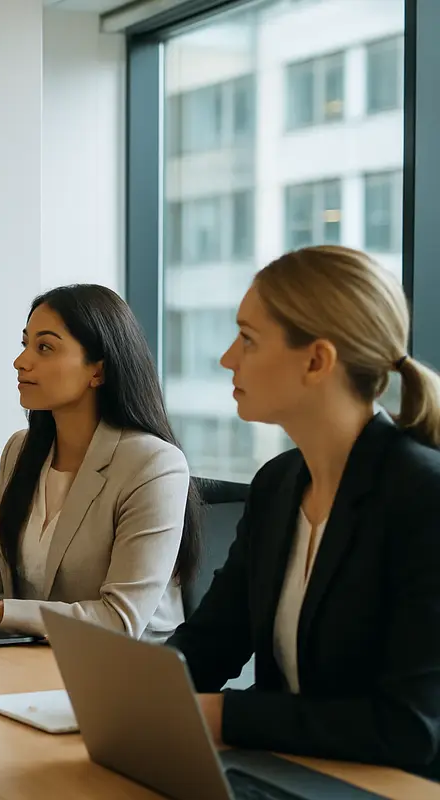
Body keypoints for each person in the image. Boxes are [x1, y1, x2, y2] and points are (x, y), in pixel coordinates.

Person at [167, 245, 440, 779]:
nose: (228, 358)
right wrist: (127, 692)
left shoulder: (422, 496)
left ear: (316, 361)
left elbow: (408, 727)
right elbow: (209, 644)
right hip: (288, 775)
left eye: (248, 339)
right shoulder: (277, 485)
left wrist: (223, 717)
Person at [0, 284, 200, 641]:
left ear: (98, 371)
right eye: (25, 344)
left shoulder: (153, 465)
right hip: (29, 655)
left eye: (45, 347)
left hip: (121, 664)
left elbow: (119, 619)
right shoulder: (20, 450)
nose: (21, 361)